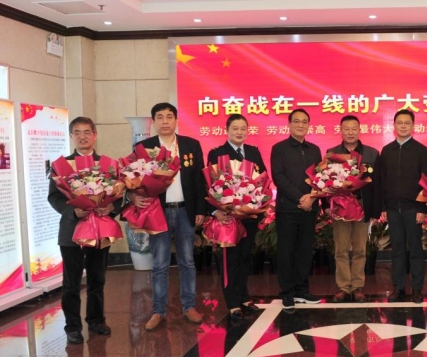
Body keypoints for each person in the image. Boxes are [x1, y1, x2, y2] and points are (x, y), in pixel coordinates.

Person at [130, 103, 206, 330]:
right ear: (153, 121)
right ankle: (158, 311)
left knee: (187, 261)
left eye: (169, 117)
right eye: (160, 117)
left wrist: (200, 209)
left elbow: (199, 181)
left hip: (185, 210)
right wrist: (133, 196)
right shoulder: (144, 147)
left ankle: (189, 306)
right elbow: (132, 178)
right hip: (158, 212)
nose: (165, 121)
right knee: (160, 263)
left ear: (176, 120)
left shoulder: (191, 145)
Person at [48, 117, 116, 344]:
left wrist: (111, 208)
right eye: (77, 132)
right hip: (71, 231)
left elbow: (119, 194)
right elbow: (54, 197)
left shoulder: (107, 164)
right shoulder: (62, 166)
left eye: (87, 132)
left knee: (97, 278)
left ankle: (96, 320)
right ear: (71, 136)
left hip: (99, 230)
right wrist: (72, 211)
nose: (82, 136)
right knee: (71, 282)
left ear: (95, 135)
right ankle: (72, 326)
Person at [207, 114, 267, 321]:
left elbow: (262, 179)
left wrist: (258, 204)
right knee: (229, 260)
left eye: (243, 128)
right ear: (227, 130)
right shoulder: (217, 153)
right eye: (235, 128)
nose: (239, 132)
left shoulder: (253, 152)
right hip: (229, 217)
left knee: (244, 258)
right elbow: (211, 185)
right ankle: (232, 302)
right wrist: (219, 210)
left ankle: (244, 296)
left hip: (249, 215)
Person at [270, 108, 323, 310]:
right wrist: (300, 197)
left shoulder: (314, 150)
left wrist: (311, 197)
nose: (301, 125)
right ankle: (287, 292)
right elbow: (278, 177)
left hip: (309, 208)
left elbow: (320, 178)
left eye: (304, 122)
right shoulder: (279, 148)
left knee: (305, 251)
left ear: (309, 125)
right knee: (286, 251)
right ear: (289, 124)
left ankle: (302, 289)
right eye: (296, 121)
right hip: (288, 209)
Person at [378, 109, 427, 304]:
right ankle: (398, 288)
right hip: (393, 209)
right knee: (397, 250)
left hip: (413, 210)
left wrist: (422, 209)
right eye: (399, 123)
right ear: (394, 126)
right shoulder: (387, 151)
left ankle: (417, 289)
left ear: (413, 126)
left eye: (407, 123)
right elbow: (382, 181)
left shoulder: (421, 150)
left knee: (416, 250)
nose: (403, 126)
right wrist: (383, 207)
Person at [327, 115, 380, 303]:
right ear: (341, 130)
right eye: (346, 128)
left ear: (359, 130)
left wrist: (375, 210)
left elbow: (377, 184)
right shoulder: (331, 153)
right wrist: (326, 206)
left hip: (362, 208)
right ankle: (344, 287)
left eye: (354, 128)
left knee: (360, 249)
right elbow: (324, 182)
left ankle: (357, 287)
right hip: (339, 208)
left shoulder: (372, 154)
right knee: (341, 250)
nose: (350, 132)